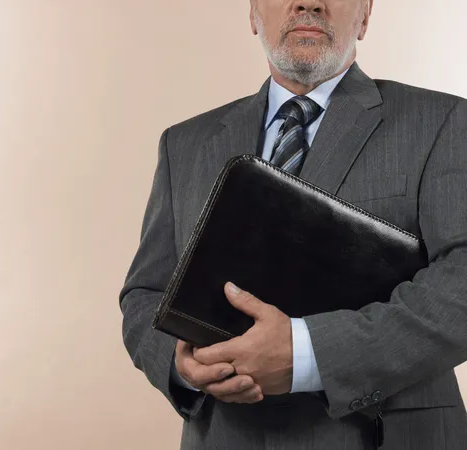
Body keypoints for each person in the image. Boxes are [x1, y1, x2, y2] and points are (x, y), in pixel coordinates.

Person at [118, 0, 467, 448]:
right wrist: (181, 363)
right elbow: (145, 295)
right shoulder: (184, 144)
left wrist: (308, 355)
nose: (308, 2)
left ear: (365, 15)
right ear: (252, 14)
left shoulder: (444, 123)